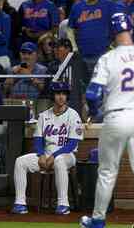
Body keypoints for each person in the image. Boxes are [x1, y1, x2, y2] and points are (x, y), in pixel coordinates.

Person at [80, 13, 134, 228]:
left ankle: (97, 222)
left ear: (112, 33)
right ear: (131, 31)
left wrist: (95, 111)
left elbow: (92, 92)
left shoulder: (108, 58)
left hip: (117, 116)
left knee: (107, 171)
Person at [11, 81, 84, 215]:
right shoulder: (44, 116)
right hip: (46, 155)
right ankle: (20, 203)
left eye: (64, 94)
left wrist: (54, 156)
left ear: (67, 96)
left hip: (67, 155)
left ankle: (63, 204)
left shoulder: (73, 115)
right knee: (20, 161)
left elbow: (72, 143)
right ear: (53, 96)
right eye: (57, 94)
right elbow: (38, 139)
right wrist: (41, 154)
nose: (61, 97)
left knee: (59, 161)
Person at [68, 0, 118, 78]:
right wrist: (74, 48)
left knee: (103, 87)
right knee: (85, 88)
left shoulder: (109, 5)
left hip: (104, 55)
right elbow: (70, 29)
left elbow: (117, 27)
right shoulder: (77, 7)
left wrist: (113, 46)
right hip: (82, 55)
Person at [46, 38, 89, 117]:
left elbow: (85, 84)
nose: (55, 50)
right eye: (54, 48)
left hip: (75, 105)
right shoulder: (52, 66)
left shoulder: (79, 64)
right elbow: (48, 88)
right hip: (56, 107)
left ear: (68, 49)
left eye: (58, 47)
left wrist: (84, 103)